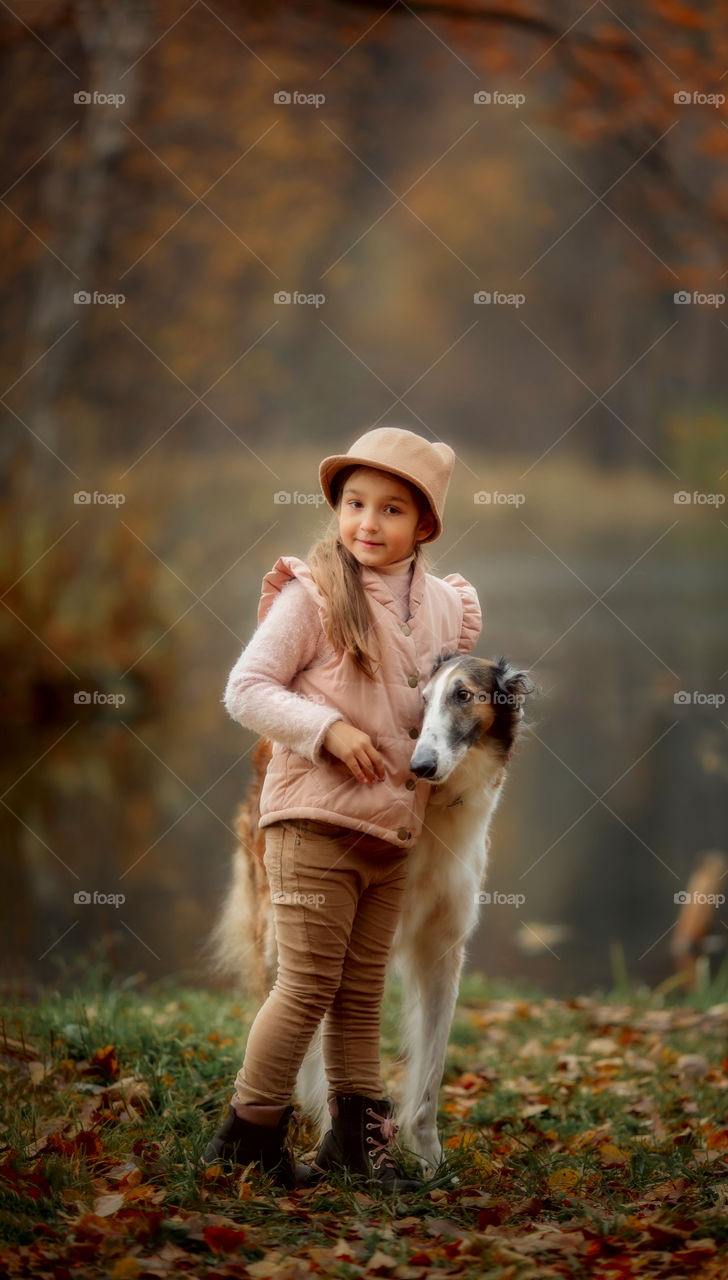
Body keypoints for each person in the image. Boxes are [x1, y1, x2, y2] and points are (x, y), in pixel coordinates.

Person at [202, 426, 482, 1195]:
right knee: (305, 988)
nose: (367, 522)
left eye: (391, 509)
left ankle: (356, 1143)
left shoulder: (444, 606)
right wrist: (325, 729)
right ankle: (247, 1135)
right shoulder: (312, 594)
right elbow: (246, 689)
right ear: (335, 508)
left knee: (360, 995)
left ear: (423, 525)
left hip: (390, 835)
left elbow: (462, 689)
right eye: (354, 503)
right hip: (311, 826)